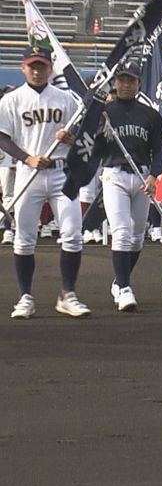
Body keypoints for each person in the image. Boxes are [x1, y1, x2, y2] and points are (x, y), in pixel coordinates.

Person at [0, 45, 89, 318]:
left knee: (73, 235)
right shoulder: (11, 100)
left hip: (62, 172)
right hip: (30, 173)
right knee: (24, 239)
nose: (37, 71)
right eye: (32, 66)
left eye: (42, 66)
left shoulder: (65, 98)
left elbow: (82, 135)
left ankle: (67, 294)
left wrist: (70, 138)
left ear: (51, 68)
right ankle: (26, 296)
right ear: (23, 67)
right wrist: (27, 158)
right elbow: (3, 137)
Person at [101, 60, 162, 312]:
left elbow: (159, 150)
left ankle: (119, 281)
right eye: (121, 79)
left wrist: (154, 176)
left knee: (138, 237)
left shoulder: (149, 114)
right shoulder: (105, 112)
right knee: (121, 232)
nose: (125, 84)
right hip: (114, 174)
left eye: (131, 80)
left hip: (142, 176)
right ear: (115, 82)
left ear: (139, 83)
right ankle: (126, 289)